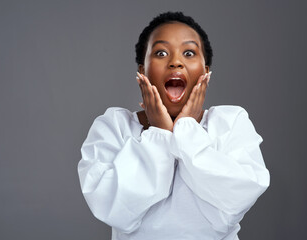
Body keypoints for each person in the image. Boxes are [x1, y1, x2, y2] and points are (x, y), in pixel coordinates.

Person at [78, 11, 270, 240]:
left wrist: (186, 129)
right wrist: (159, 133)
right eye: (160, 52)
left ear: (206, 72)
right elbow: (114, 210)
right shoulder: (113, 127)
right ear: (142, 71)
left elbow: (232, 205)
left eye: (189, 53)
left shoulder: (231, 122)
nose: (176, 61)